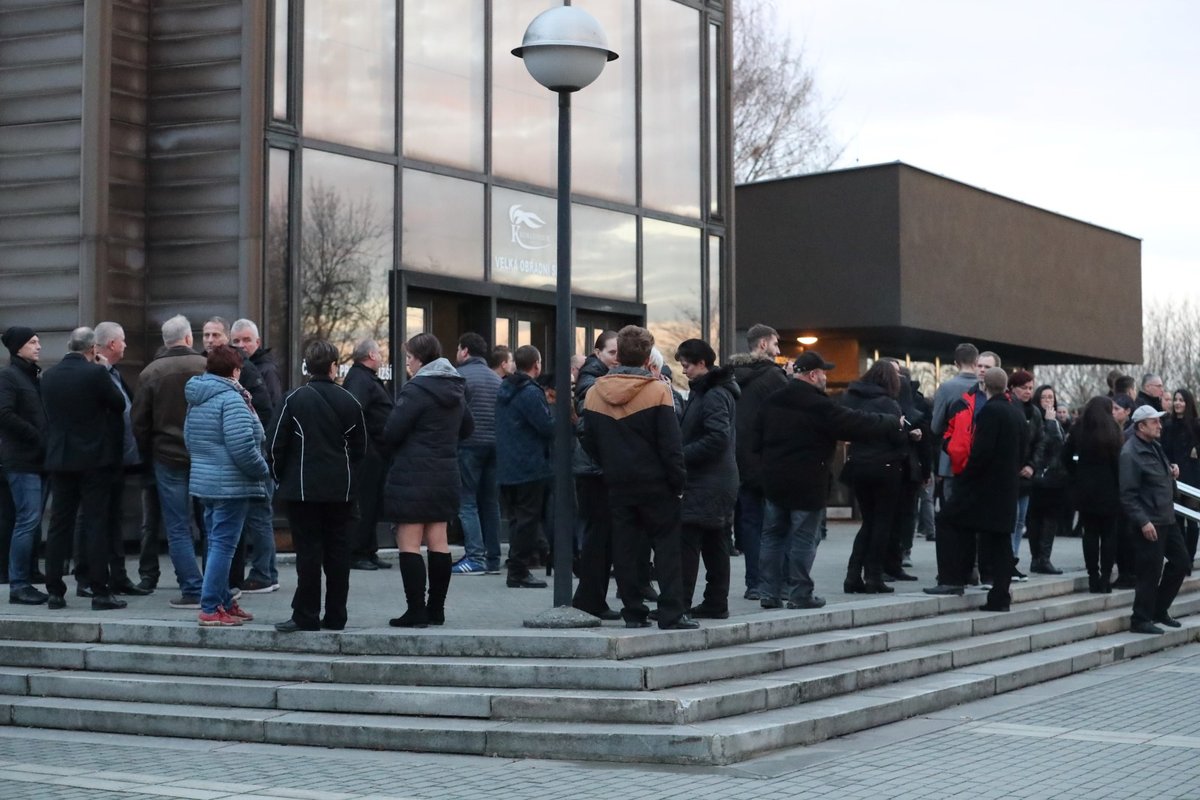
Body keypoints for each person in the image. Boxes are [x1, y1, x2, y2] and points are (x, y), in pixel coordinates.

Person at [753, 351, 906, 610]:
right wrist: (892, 422)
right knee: (803, 538)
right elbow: (855, 423)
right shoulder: (818, 405)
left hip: (774, 479)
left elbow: (755, 439)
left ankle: (768, 592)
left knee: (772, 536)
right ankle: (800, 592)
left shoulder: (772, 401)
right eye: (824, 372)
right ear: (813, 375)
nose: (826, 377)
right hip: (807, 481)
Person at [582, 325, 696, 630]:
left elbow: (587, 439)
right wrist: (679, 481)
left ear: (619, 354)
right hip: (657, 482)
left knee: (625, 548)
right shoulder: (658, 391)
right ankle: (672, 612)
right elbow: (671, 446)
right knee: (667, 548)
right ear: (648, 357)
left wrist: (609, 463)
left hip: (617, 481)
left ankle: (633, 611)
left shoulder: (595, 393)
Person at [269, 340, 366, 633]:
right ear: (334, 366)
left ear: (307, 367)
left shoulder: (293, 399)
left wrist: (279, 477)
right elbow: (360, 449)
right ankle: (336, 616)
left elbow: (275, 446)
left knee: (308, 554)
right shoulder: (350, 402)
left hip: (302, 491)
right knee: (338, 554)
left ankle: (306, 615)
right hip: (341, 492)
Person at [383, 333, 473, 627]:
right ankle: (437, 609)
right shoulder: (456, 388)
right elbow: (468, 428)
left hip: (412, 474)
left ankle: (416, 610)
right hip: (445, 474)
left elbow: (392, 431)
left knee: (408, 542)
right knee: (439, 541)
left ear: (420, 359)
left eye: (409, 357)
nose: (407, 363)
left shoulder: (416, 389)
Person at [41, 327, 128, 611]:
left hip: (60, 458)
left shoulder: (48, 376)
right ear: (93, 349)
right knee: (95, 523)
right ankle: (100, 590)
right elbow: (117, 405)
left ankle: (54, 590)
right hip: (94, 459)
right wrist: (103, 370)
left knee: (59, 525)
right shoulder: (96, 374)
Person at [183, 344, 269, 626]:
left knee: (215, 542)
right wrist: (262, 470)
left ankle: (224, 601)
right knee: (223, 546)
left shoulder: (198, 398)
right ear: (235, 371)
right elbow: (243, 446)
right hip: (231, 484)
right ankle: (210, 606)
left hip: (206, 482)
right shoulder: (231, 399)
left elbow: (189, 438)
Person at [937, 367, 1028, 611]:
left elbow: (981, 453)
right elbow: (1023, 451)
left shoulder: (991, 412)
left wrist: (966, 477)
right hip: (1007, 487)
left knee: (949, 520)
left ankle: (954, 578)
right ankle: (1000, 595)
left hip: (987, 488)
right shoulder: (1015, 412)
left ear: (984, 386)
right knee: (1000, 543)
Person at [132, 316, 207, 608]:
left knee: (177, 525)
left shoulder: (151, 373)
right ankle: (215, 586)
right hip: (204, 455)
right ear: (189, 338)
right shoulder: (206, 367)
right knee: (211, 522)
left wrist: (146, 453)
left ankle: (191, 587)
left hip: (166, 456)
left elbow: (139, 423)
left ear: (166, 341)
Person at [75, 321, 153, 597]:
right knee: (91, 518)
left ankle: (117, 576)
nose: (125, 346)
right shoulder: (94, 373)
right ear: (111, 344)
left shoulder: (113, 373)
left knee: (112, 518)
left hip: (117, 459)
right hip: (100, 459)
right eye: (123, 341)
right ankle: (85, 576)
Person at [201, 316, 276, 593]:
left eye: (216, 336)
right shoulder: (231, 396)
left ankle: (240, 585)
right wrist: (258, 464)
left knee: (223, 534)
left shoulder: (204, 393)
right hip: (228, 472)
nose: (210, 340)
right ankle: (219, 597)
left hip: (214, 473)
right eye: (237, 341)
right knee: (224, 538)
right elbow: (244, 436)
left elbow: (263, 417)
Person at [840, 360, 920, 594]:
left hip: (858, 466)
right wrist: (908, 433)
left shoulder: (852, 398)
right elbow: (896, 438)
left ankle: (853, 574)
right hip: (885, 468)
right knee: (881, 523)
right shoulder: (889, 404)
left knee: (869, 521)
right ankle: (873, 575)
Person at [675, 339, 739, 618]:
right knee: (716, 543)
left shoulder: (712, 394)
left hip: (706, 481)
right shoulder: (713, 391)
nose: (684, 371)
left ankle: (681, 603)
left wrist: (680, 455)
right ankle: (715, 602)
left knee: (689, 541)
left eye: (687, 365)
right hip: (718, 479)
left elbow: (717, 437)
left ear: (702, 363)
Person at [726, 323, 788, 600]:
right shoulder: (775, 378)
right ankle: (777, 582)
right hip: (770, 461)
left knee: (749, 523)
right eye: (775, 344)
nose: (779, 350)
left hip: (739, 460)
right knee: (778, 525)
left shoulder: (731, 377)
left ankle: (755, 582)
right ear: (763, 345)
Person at [1119, 405, 1188, 634]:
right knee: (1150, 571)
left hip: (1167, 517)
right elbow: (1128, 495)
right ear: (1141, 426)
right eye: (1154, 422)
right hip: (1150, 522)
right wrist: (1143, 521)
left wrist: (1171, 471)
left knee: (1181, 563)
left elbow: (1159, 478)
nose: (1160, 426)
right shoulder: (1130, 453)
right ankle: (1140, 618)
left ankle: (1158, 610)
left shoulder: (1155, 446)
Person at [571, 330, 623, 620]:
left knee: (602, 537)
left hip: (597, 467)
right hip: (593, 470)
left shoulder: (598, 376)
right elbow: (587, 425)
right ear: (597, 353)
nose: (616, 359)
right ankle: (590, 599)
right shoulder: (592, 379)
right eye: (612, 353)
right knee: (597, 537)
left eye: (619, 353)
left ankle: (593, 598)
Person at [495, 345, 553, 590]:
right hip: (529, 465)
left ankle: (516, 567)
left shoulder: (504, 388)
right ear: (536, 365)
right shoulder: (530, 392)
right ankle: (519, 570)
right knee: (528, 520)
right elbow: (546, 427)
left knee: (517, 519)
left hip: (507, 465)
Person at [0, 326, 47, 604]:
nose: (38, 346)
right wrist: (37, 436)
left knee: (30, 520)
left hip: (37, 458)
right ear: (18, 347)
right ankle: (18, 583)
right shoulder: (9, 377)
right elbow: (3, 413)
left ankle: (25, 577)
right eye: (32, 342)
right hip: (21, 459)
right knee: (27, 520)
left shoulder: (32, 376)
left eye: (39, 341)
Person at [452, 332, 503, 576]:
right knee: (490, 503)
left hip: (469, 446)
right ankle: (493, 559)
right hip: (495, 446)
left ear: (464, 351)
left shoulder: (460, 377)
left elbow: (455, 414)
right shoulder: (497, 379)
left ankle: (474, 557)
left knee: (467, 501)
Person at [342, 339, 394, 571]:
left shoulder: (365, 378)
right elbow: (354, 410)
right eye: (380, 353)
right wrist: (366, 444)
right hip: (367, 453)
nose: (382, 357)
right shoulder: (360, 379)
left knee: (372, 504)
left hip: (376, 452)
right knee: (364, 503)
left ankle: (369, 550)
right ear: (371, 355)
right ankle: (356, 552)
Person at [1063, 396, 1122, 593]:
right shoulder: (1113, 430)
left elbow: (1065, 456)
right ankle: (1105, 578)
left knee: (1090, 533)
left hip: (1085, 488)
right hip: (1109, 488)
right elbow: (1118, 463)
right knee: (1109, 535)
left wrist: (1076, 472)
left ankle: (1092, 576)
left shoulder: (1078, 429)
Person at [1026, 384, 1068, 574]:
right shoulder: (1039, 419)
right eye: (1044, 398)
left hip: (1054, 477)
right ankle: (1039, 558)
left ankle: (1043, 557)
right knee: (1036, 519)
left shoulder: (1056, 421)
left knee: (1049, 520)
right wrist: (1050, 423)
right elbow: (1050, 444)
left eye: (1051, 397)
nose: (1048, 401)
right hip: (1039, 476)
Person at [1008, 370, 1040, 581]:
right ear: (1013, 388)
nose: (1028, 392)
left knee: (1020, 520)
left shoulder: (1034, 412)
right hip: (1011, 472)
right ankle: (1007, 559)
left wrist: (1032, 465)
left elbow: (1040, 441)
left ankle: (1014, 557)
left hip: (1027, 473)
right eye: (1024, 388)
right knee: (1011, 519)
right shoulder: (1010, 408)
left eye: (1030, 388)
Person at [1163, 388, 1200, 568]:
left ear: (1188, 403)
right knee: (1176, 521)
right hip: (1174, 479)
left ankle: (1190, 559)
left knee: (1192, 522)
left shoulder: (1196, 424)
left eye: (1182, 400)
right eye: (1175, 399)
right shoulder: (1167, 425)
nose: (1178, 403)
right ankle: (1181, 559)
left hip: (1193, 479)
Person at [230, 319, 283, 409]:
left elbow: (274, 404)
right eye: (236, 341)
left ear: (257, 342)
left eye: (247, 340)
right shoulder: (230, 368)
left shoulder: (268, 369)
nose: (241, 345)